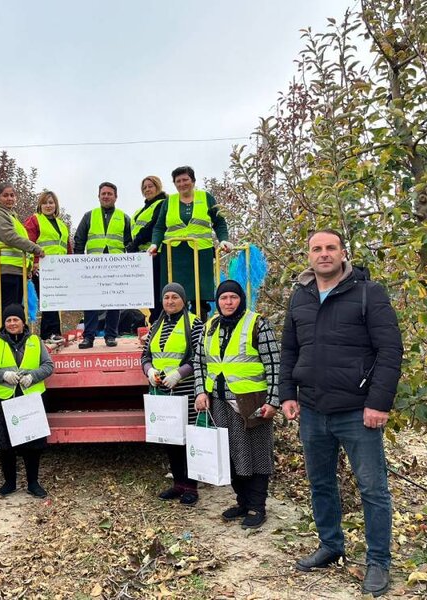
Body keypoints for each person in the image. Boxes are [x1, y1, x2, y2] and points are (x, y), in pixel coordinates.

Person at [280, 229, 403, 598]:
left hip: (357, 412)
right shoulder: (299, 297)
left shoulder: (369, 293)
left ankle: (378, 561)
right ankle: (331, 545)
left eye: (330, 247)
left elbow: (390, 351)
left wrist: (378, 403)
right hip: (313, 411)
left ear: (343, 253)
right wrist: (288, 393)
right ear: (309, 256)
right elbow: (289, 351)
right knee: (320, 484)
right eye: (316, 248)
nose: (323, 254)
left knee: (373, 489)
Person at [193, 280, 281, 529]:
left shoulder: (257, 324)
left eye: (233, 297)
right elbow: (200, 363)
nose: (228, 302)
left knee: (256, 454)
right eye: (223, 298)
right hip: (219, 403)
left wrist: (274, 401)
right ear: (217, 301)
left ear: (241, 299)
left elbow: (275, 365)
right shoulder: (210, 326)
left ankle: (257, 506)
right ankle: (242, 501)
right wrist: (201, 391)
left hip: (251, 402)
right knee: (230, 455)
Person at [141, 282, 204, 505]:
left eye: (174, 297)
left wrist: (180, 373)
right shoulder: (156, 325)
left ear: (183, 300)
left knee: (188, 439)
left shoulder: (195, 323)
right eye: (166, 297)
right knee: (170, 439)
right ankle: (178, 484)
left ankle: (191, 487)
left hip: (185, 390)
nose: (170, 301)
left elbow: (200, 356)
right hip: (162, 393)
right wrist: (149, 371)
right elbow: (145, 355)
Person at [0, 304, 54, 498]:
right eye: (8, 320)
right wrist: (3, 375)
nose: (12, 323)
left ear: (23, 322)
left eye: (16, 319)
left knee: (33, 443)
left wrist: (33, 376)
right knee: (6, 445)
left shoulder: (35, 341)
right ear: (4, 323)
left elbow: (48, 365)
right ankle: (9, 482)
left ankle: (33, 482)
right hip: (2, 397)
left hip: (30, 398)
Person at [148, 166, 232, 320]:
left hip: (200, 251)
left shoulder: (206, 198)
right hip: (173, 254)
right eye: (178, 181)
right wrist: (154, 244)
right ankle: (177, 324)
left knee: (200, 293)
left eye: (185, 180)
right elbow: (159, 226)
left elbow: (219, 222)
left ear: (193, 181)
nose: (182, 184)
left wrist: (223, 240)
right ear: (174, 184)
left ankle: (200, 325)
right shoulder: (168, 201)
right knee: (175, 291)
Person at [72, 181, 133, 349]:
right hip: (93, 267)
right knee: (91, 301)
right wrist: (78, 262)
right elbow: (79, 240)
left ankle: (111, 336)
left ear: (116, 197)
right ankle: (88, 337)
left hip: (116, 266)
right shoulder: (88, 216)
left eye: (109, 194)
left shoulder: (124, 217)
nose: (106, 196)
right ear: (98, 196)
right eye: (103, 194)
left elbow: (130, 242)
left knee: (114, 301)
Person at [0, 182, 45, 315]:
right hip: (4, 267)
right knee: (10, 309)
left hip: (15, 268)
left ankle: (14, 334)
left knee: (15, 308)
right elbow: (9, 237)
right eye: (5, 195)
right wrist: (35, 248)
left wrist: (27, 267)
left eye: (12, 195)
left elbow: (19, 246)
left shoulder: (11, 215)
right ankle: (6, 335)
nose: (10, 198)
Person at [23, 190, 72, 344]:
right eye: (45, 202)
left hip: (60, 269)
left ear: (56, 205)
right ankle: (49, 333)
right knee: (48, 300)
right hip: (43, 268)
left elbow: (67, 247)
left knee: (55, 301)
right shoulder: (35, 220)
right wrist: (34, 262)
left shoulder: (62, 225)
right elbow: (28, 242)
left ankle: (53, 332)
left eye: (51, 202)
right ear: (40, 205)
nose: (48, 205)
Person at [127, 176, 167, 324]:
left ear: (158, 187)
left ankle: (159, 320)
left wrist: (135, 243)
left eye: (150, 186)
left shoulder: (162, 203)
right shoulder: (141, 210)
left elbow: (153, 226)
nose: (147, 189)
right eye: (144, 188)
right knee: (148, 292)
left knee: (157, 291)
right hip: (143, 255)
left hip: (157, 253)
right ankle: (155, 320)